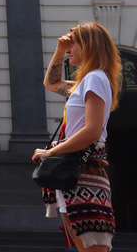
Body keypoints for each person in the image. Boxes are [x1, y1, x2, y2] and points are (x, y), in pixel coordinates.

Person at [32, 22, 122, 252]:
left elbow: (92, 131)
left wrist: (51, 152)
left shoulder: (94, 78)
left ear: (88, 46)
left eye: (73, 44)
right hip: (76, 175)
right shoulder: (89, 81)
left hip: (83, 172)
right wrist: (60, 50)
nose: (69, 48)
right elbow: (51, 84)